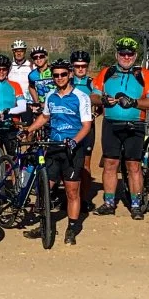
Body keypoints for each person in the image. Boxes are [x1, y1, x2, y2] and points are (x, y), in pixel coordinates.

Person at [23, 59, 93, 244]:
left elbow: (87, 125)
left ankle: (71, 228)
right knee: (45, 187)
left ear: (70, 74)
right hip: (54, 146)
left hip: (72, 148)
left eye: (63, 74)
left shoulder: (80, 97)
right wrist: (28, 130)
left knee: (72, 191)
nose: (60, 78)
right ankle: (44, 224)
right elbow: (45, 116)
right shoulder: (51, 96)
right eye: (56, 75)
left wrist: (74, 141)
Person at [91, 37, 149, 219]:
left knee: (133, 165)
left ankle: (136, 205)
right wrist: (103, 100)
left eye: (130, 54)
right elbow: (93, 96)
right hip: (111, 124)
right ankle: (109, 202)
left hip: (135, 125)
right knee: (110, 163)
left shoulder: (144, 74)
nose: (126, 57)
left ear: (135, 55)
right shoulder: (106, 72)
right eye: (123, 53)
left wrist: (135, 102)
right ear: (117, 54)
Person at [69, 49, 96, 202]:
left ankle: (84, 199)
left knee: (85, 163)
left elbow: (100, 102)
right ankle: (69, 197)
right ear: (72, 66)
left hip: (86, 128)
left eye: (83, 66)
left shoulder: (92, 83)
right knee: (67, 162)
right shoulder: (66, 81)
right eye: (77, 66)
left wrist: (95, 114)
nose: (80, 69)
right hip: (69, 127)